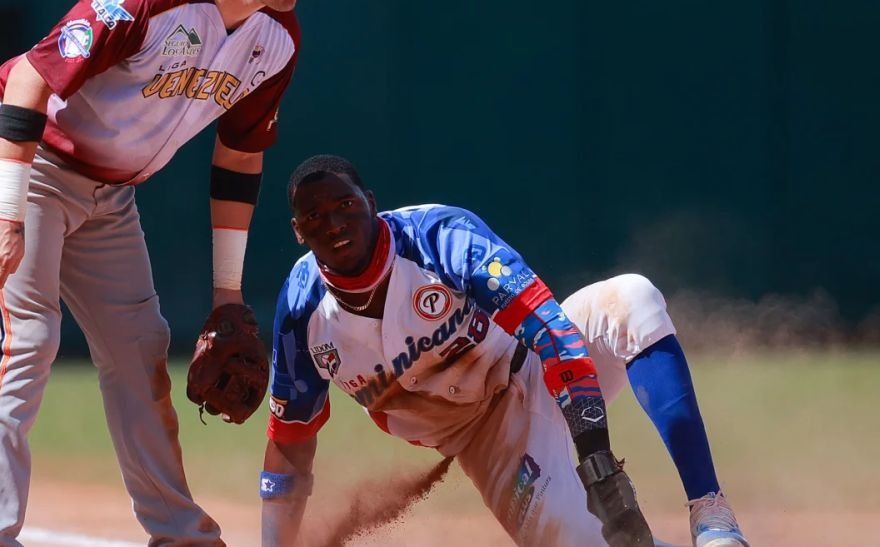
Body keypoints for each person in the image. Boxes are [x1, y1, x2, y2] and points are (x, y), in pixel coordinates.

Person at [0, 0, 344, 546]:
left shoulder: (276, 39)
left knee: (139, 348)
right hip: (23, 154)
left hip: (108, 191)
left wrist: (226, 296)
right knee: (23, 342)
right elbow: (30, 80)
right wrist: (6, 211)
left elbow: (239, 161)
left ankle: (180, 533)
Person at [260, 154, 750, 547]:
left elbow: (553, 334)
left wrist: (599, 468)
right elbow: (290, 441)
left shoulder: (439, 238)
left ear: (369, 201)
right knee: (578, 540)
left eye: (345, 205)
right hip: (486, 441)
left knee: (634, 299)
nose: (334, 223)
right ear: (299, 231)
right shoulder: (303, 312)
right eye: (315, 216)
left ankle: (711, 514)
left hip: (532, 364)